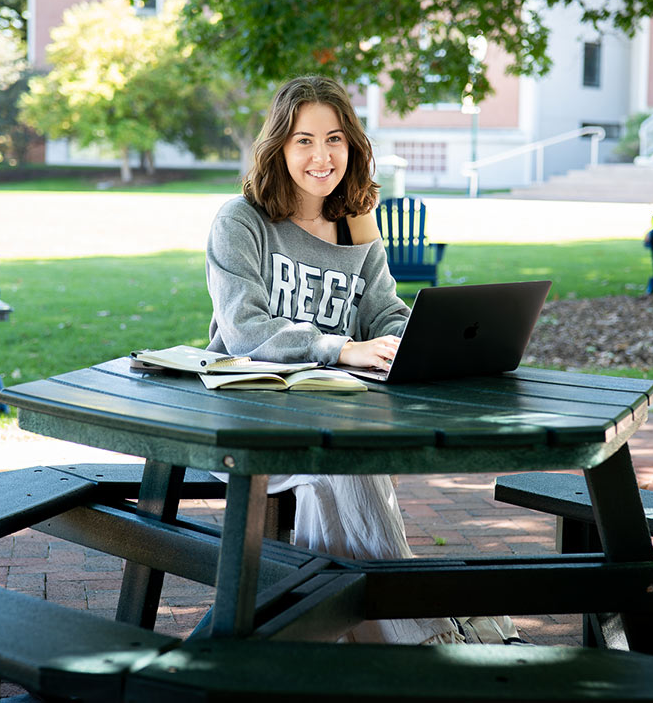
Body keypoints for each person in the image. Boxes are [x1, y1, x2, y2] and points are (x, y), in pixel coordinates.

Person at [205, 75, 519, 646]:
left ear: (352, 146)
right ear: (278, 145)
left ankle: (334, 642)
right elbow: (244, 330)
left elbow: (385, 312)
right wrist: (339, 348)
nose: (321, 156)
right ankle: (430, 636)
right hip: (250, 420)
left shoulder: (357, 226)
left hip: (335, 414)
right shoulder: (241, 221)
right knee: (345, 461)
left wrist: (416, 340)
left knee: (338, 469)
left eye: (334, 139)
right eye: (303, 140)